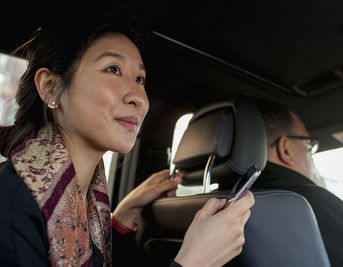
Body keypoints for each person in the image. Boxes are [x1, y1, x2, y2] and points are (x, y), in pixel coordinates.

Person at [0, 7, 254, 267]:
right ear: (51, 87)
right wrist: (195, 261)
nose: (139, 98)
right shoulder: (10, 207)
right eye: (112, 69)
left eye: (140, 79)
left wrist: (123, 216)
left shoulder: (88, 205)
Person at [253, 101, 343, 267]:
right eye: (308, 145)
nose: (311, 156)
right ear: (285, 149)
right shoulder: (314, 203)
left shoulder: (219, 204)